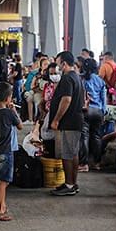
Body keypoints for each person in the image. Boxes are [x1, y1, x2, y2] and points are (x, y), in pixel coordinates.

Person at [0, 82, 23, 221]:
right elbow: (19, 126)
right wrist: (13, 110)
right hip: (7, 151)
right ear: (8, 98)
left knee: (2, 180)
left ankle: (0, 206)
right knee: (4, 181)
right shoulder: (9, 113)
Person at [50, 51, 84, 196]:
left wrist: (56, 119)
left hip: (68, 121)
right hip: (76, 120)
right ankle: (72, 183)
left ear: (64, 64)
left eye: (58, 64)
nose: (57, 67)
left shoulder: (67, 79)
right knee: (73, 153)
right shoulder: (76, 77)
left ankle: (69, 185)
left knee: (67, 154)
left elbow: (66, 100)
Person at [78, 58, 107, 172]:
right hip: (98, 111)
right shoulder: (100, 81)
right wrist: (103, 112)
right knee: (96, 136)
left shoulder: (82, 80)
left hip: (86, 110)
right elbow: (103, 98)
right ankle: (97, 163)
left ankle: (84, 164)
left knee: (84, 136)